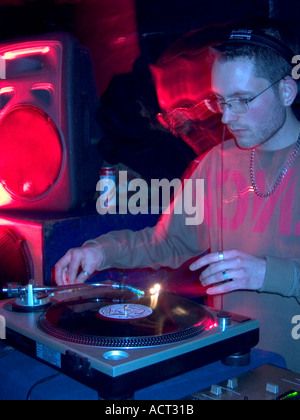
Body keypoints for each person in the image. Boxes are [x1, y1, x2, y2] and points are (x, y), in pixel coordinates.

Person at [54, 18, 300, 372]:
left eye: (243, 100)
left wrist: (268, 274)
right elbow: (166, 243)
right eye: (221, 101)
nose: (227, 117)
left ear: (286, 91)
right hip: (232, 363)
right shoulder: (215, 164)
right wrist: (99, 251)